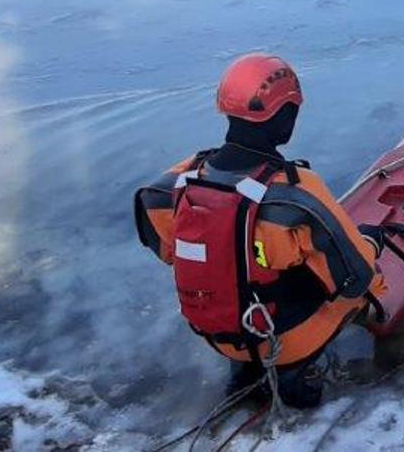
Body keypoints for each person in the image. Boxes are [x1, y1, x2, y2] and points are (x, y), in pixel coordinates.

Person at [133, 54, 384, 409]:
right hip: (284, 338)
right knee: (363, 285)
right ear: (285, 116)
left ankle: (243, 370)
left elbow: (154, 226)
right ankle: (292, 375)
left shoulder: (180, 180)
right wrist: (371, 241)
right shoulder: (297, 192)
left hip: (215, 335)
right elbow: (356, 279)